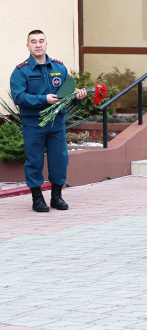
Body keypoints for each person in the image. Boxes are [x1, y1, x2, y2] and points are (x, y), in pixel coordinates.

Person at [10, 30, 88, 212]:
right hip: (34, 123)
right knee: (34, 160)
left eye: (41, 41)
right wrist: (43, 99)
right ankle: (37, 199)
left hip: (56, 123)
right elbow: (19, 97)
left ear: (46, 44)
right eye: (33, 41)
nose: (38, 45)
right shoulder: (21, 71)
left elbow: (66, 95)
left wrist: (78, 97)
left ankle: (56, 197)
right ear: (28, 46)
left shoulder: (59, 68)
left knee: (59, 160)